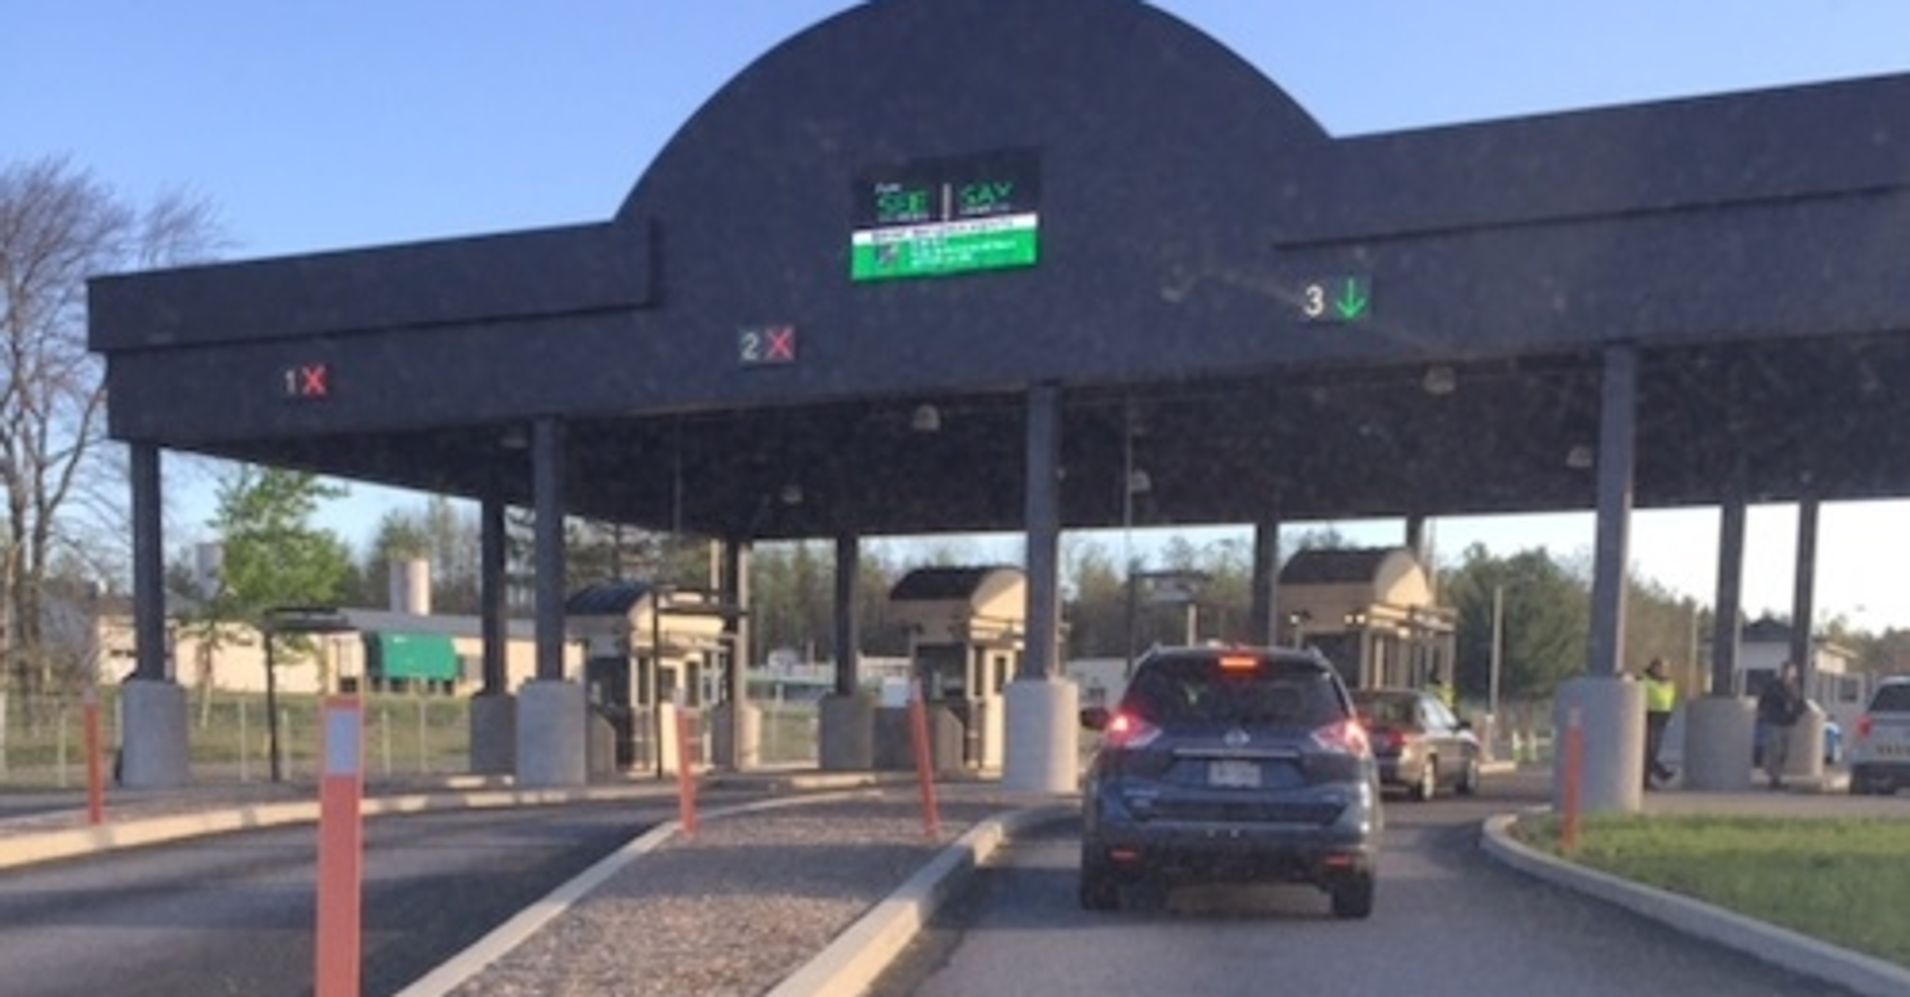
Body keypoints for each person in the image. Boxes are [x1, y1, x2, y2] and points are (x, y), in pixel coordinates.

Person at [1756, 662, 1805, 790]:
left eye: (1792, 671)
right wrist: (1763, 714)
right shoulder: (1773, 686)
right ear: (1783, 671)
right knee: (1775, 750)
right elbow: (1763, 701)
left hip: (1788, 723)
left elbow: (1800, 703)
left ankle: (1778, 776)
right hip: (1774, 722)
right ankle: (1774, 778)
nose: (1790, 673)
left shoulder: (1795, 687)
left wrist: (1798, 711)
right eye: (1788, 670)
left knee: (1784, 752)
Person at [1640, 658, 1677, 788]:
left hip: (1662, 718)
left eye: (1665, 668)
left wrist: (1671, 715)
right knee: (1648, 750)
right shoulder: (1644, 679)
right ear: (1654, 667)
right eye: (1660, 667)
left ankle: (1652, 778)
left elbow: (1670, 700)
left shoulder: (1668, 683)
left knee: (1654, 750)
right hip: (1649, 715)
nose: (1663, 670)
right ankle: (1660, 774)